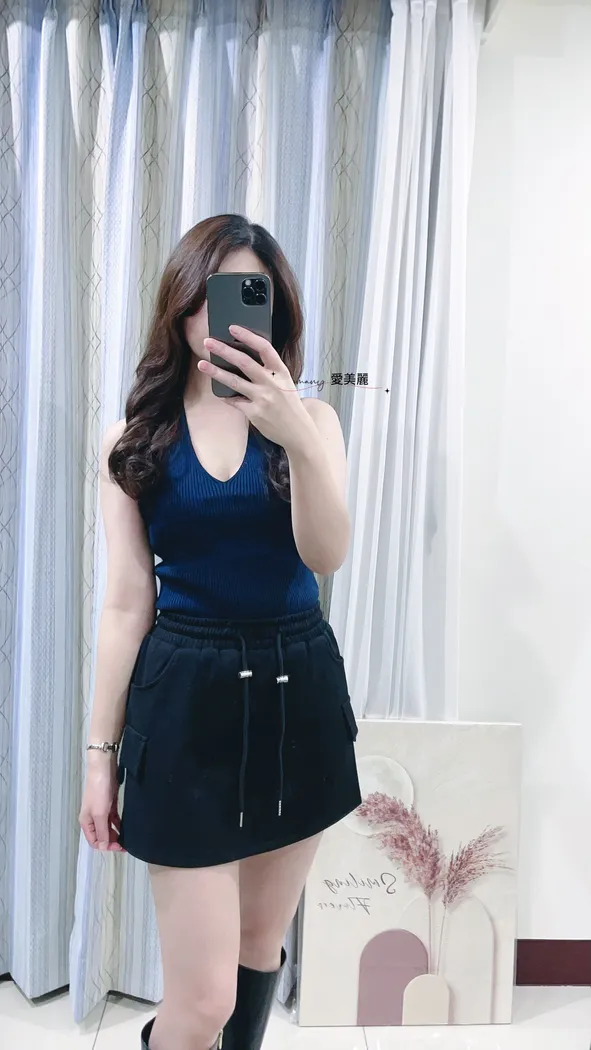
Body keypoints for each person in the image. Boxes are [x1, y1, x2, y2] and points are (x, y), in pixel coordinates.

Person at [79, 214, 361, 1050]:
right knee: (200, 1003)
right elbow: (126, 603)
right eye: (211, 294)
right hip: (185, 703)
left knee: (258, 948)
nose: (225, 314)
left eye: (249, 295)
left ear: (276, 310)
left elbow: (325, 556)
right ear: (180, 307)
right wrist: (98, 759)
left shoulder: (313, 423)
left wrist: (293, 431)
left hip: (296, 691)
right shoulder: (135, 439)